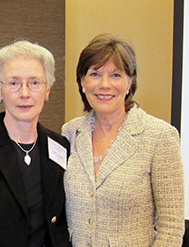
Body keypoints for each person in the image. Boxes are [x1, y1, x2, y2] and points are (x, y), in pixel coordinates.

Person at [62, 33, 185, 246]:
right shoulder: (70, 131)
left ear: (129, 82)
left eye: (116, 75)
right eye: (95, 74)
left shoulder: (159, 137)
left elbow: (171, 228)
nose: (105, 84)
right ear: (82, 82)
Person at [0, 40, 71, 247]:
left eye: (35, 82)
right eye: (13, 83)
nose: (25, 93)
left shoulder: (61, 146)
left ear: (47, 90)